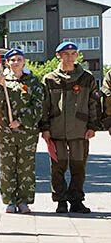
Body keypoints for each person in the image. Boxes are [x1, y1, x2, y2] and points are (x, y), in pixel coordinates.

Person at [39, 41, 101, 214]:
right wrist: (44, 128)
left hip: (80, 130)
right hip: (56, 130)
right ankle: (60, 201)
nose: (70, 57)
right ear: (58, 55)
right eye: (66, 54)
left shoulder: (86, 78)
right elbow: (44, 105)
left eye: (73, 53)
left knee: (78, 166)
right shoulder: (50, 79)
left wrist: (92, 126)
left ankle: (76, 200)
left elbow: (94, 103)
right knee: (58, 167)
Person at [0, 48, 44, 214]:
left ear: (24, 62)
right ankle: (9, 201)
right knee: (7, 167)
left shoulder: (33, 82)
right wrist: (0, 86)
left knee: (26, 168)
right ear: (7, 62)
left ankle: (24, 201)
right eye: (12, 60)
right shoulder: (2, 81)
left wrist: (21, 121)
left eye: (19, 59)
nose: (16, 62)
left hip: (27, 133)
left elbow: (38, 106)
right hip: (6, 133)